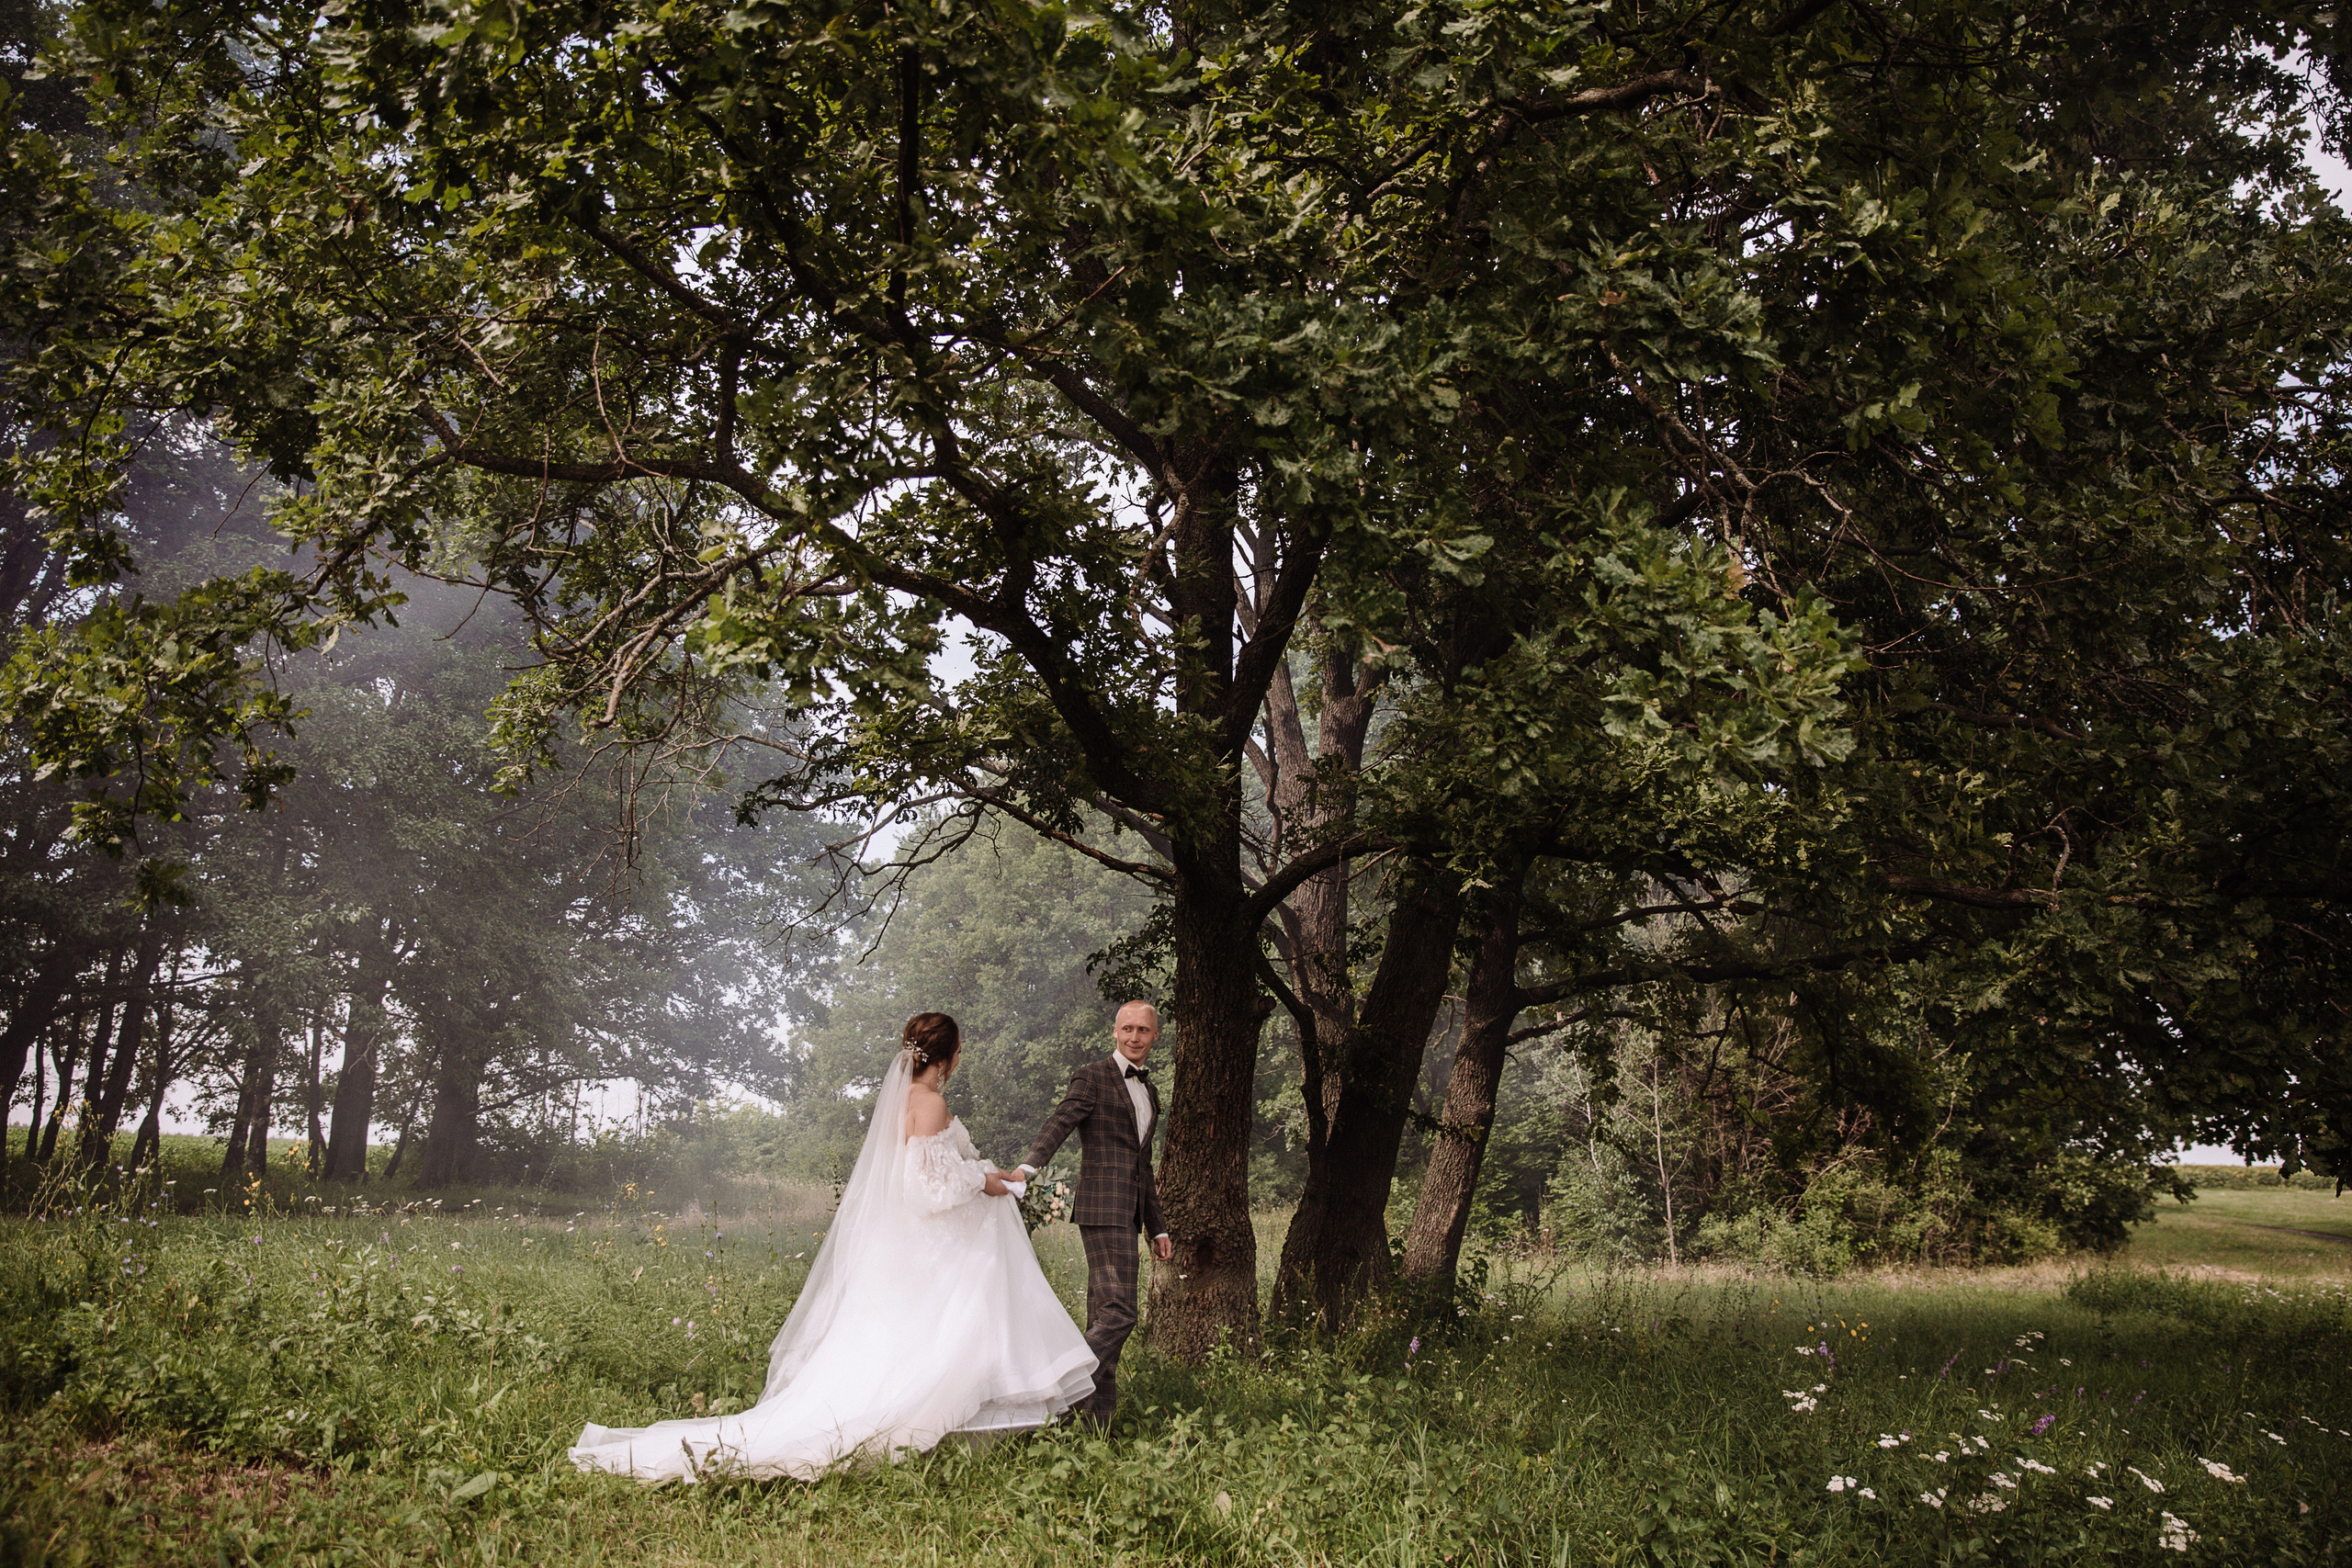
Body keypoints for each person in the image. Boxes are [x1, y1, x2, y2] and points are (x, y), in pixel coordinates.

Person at [569, 1013, 1096, 1482]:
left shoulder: (905, 1102)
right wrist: (986, 1183)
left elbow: (931, 1169)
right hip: (933, 1238)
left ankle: (971, 1420)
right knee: (959, 1319)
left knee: (929, 1330)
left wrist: (984, 1171)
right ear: (950, 1056)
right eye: (959, 1051)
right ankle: (949, 1419)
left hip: (910, 1240)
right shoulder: (930, 1103)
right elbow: (927, 1188)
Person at [1014, 999, 1171, 1431]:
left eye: (1143, 1030)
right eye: (1127, 1029)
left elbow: (1145, 1163)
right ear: (1115, 1032)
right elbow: (1060, 1122)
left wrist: (1157, 1226)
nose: (1134, 1037)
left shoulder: (1149, 1089)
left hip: (1132, 1213)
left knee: (1104, 1317)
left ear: (1155, 1035)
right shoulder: (1093, 1077)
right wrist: (1028, 1169)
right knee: (1122, 1313)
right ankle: (1057, 1393)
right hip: (1102, 1208)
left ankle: (1092, 1428)